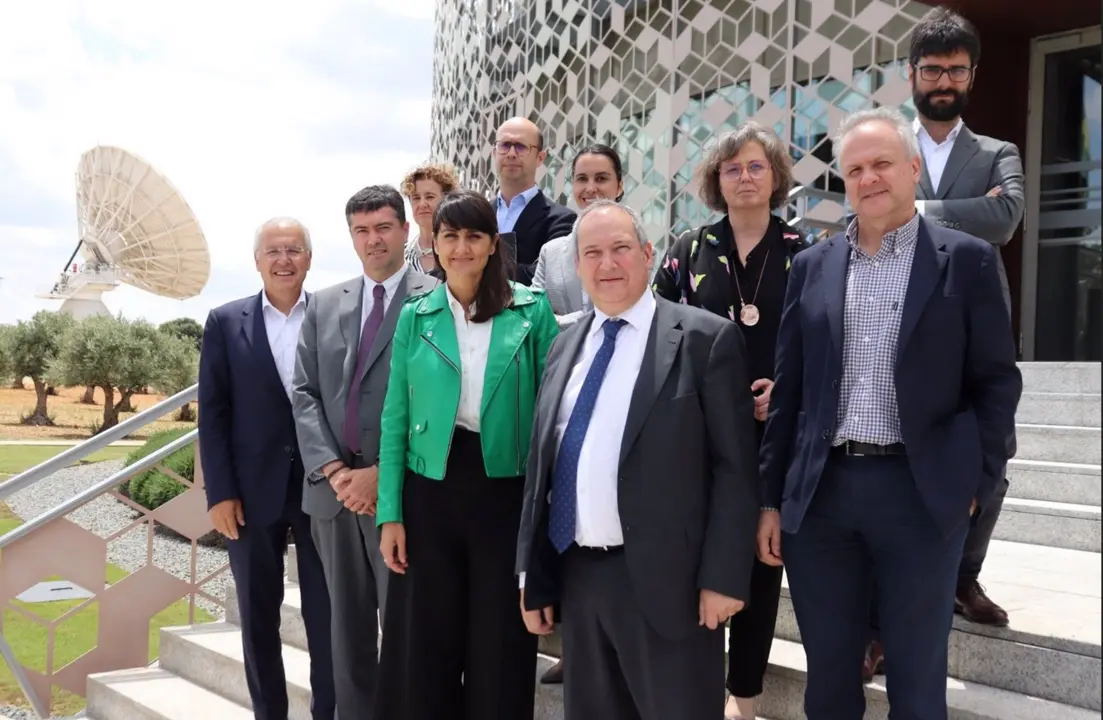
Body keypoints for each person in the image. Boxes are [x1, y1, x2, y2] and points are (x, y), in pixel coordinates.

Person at [756, 106, 1022, 719]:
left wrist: (975, 485)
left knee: (917, 675)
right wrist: (771, 499)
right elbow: (790, 393)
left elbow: (995, 384)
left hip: (921, 494)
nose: (868, 178)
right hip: (821, 499)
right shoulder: (812, 266)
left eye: (881, 164)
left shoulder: (968, 259)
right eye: (854, 169)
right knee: (828, 674)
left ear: (910, 169)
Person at [516, 199, 761, 720]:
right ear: (577, 267)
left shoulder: (703, 338)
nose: (608, 264)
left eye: (621, 249)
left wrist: (723, 577)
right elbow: (545, 469)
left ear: (647, 254)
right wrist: (531, 575)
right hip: (580, 580)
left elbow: (735, 469)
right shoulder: (564, 347)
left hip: (670, 585)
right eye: (593, 253)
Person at [373, 189, 559, 720]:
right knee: (422, 643)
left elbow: (551, 419)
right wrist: (391, 512)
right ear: (434, 243)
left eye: (474, 235)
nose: (461, 248)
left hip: (506, 489)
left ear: (492, 243)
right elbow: (393, 420)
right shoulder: (416, 315)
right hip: (430, 486)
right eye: (450, 236)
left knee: (500, 642)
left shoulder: (532, 310)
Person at [652, 122, 809, 720]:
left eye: (756, 166)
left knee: (760, 564)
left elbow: (827, 342)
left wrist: (786, 392)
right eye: (732, 168)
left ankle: (743, 699)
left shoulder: (805, 253)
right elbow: (661, 338)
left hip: (774, 439)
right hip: (698, 436)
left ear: (775, 177)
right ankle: (695, 688)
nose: (744, 177)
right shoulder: (687, 249)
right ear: (716, 180)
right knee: (698, 557)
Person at [292, 186, 438, 719]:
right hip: (334, 502)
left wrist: (382, 475)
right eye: (361, 230)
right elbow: (303, 392)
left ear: (404, 230)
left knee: (408, 636)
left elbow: (441, 404)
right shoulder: (325, 304)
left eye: (382, 227)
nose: (372, 239)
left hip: (402, 501)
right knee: (346, 640)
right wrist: (335, 472)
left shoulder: (437, 299)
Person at [908, 5, 1025, 630]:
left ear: (972, 76)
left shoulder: (997, 150)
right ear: (912, 74)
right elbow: (866, 214)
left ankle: (963, 577)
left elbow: (1007, 218)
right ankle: (879, 616)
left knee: (991, 453)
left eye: (956, 70)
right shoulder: (884, 146)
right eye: (933, 70)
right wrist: (963, 209)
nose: (944, 82)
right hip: (897, 319)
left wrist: (918, 207)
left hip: (977, 324)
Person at [198, 217, 334, 720]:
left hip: (323, 489)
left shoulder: (332, 312)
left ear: (309, 258)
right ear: (257, 260)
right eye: (273, 250)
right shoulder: (224, 321)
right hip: (250, 497)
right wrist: (220, 493)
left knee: (327, 618)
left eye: (294, 249)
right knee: (257, 618)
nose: (284, 259)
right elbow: (212, 415)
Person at [532, 143, 624, 331]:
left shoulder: (638, 250)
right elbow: (534, 316)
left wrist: (558, 321)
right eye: (582, 179)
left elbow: (620, 314)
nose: (590, 188)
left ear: (619, 186)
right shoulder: (550, 253)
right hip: (560, 358)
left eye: (601, 178)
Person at [492, 116, 577, 284]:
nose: (511, 153)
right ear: (494, 153)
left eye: (521, 147)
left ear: (540, 158)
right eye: (505, 145)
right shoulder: (478, 214)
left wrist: (477, 268)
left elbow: (547, 275)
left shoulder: (561, 220)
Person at [401, 162, 460, 276]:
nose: (422, 204)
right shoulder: (401, 257)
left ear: (446, 199)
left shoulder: (459, 251)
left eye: (430, 197)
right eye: (416, 198)